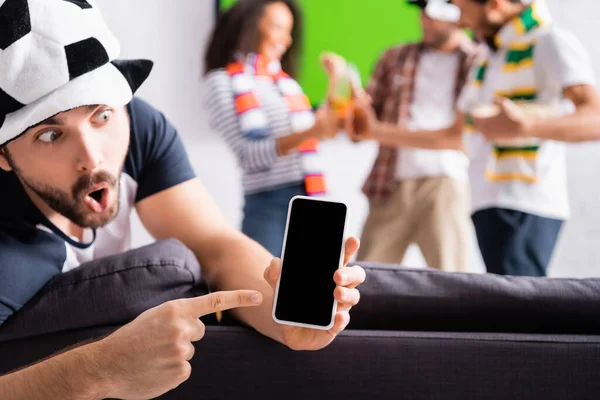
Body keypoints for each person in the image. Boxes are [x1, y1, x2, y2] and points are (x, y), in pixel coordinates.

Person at [0, 1, 365, 398]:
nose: (92, 158)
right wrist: (99, 368)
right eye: (51, 134)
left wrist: (282, 319)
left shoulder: (137, 125)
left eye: (101, 115)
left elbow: (215, 246)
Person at [351, 0, 600, 276]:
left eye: (462, 8)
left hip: (524, 202)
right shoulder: (488, 58)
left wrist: (526, 126)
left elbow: (595, 119)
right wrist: (371, 130)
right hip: (486, 200)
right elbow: (454, 135)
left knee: (518, 307)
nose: (459, 19)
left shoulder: (550, 42)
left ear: (493, 6)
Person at [203, 0, 341, 257]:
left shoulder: (285, 83)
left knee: (318, 290)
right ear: (248, 26)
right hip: (270, 204)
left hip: (314, 196)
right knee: (263, 290)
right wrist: (310, 132)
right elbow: (249, 155)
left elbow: (317, 130)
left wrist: (335, 79)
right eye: (278, 27)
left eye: (289, 31)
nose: (286, 40)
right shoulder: (221, 83)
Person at [356, 0, 479, 272]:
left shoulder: (478, 62)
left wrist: (381, 132)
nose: (425, 20)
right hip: (390, 182)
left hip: (447, 184)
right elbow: (361, 129)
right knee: (366, 277)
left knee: (453, 279)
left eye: (433, 14)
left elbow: (461, 137)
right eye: (422, 13)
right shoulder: (393, 58)